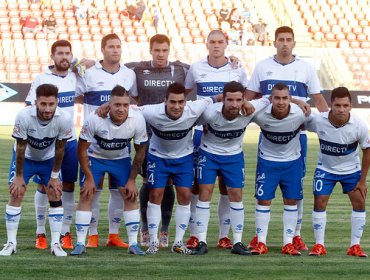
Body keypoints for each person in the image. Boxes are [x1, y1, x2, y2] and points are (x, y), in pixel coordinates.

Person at [246, 26, 329, 252]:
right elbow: (250, 97)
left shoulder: (305, 68)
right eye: (281, 39)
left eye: (288, 40)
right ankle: (259, 236)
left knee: (295, 188)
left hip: (297, 134)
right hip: (270, 134)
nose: (284, 43)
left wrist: (329, 125)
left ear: (293, 43)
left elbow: (319, 100)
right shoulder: (262, 66)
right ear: (274, 42)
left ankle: (296, 235)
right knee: (265, 188)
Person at [136, 83, 220, 255]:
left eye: (180, 102)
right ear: (164, 101)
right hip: (158, 157)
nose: (176, 106)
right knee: (155, 195)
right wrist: (106, 107)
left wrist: (246, 103)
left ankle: (178, 242)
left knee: (185, 195)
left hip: (183, 158)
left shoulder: (195, 108)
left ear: (185, 102)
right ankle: (153, 241)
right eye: (172, 102)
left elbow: (216, 98)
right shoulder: (152, 111)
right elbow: (132, 110)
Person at [184, 29, 248, 250]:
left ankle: (224, 235)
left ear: (226, 44)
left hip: (228, 134)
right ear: (206, 44)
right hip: (203, 133)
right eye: (212, 42)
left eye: (220, 42)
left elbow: (246, 95)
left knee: (226, 188)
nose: (216, 45)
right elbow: (185, 94)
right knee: (198, 186)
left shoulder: (236, 67)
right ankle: (195, 234)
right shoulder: (196, 68)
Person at [125, 34, 190, 248]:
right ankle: (145, 228)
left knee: (170, 182)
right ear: (150, 50)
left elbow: (204, 68)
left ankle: (164, 230)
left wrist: (233, 59)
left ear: (169, 50)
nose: (161, 54)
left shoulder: (181, 70)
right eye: (157, 50)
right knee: (150, 183)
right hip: (148, 136)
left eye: (164, 50)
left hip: (172, 136)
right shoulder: (137, 70)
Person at [75, 33, 138, 249]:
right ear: (102, 49)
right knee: (92, 190)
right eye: (111, 46)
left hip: (119, 146)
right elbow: (74, 94)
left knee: (119, 192)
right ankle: (92, 235)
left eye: (118, 46)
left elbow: (133, 101)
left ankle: (113, 234)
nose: (115, 50)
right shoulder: (89, 72)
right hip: (94, 146)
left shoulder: (129, 74)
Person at [193, 81, 269, 256]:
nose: (234, 104)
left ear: (243, 99)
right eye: (230, 100)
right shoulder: (210, 112)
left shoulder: (250, 109)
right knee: (205, 194)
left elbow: (269, 98)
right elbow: (191, 117)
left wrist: (300, 102)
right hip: (209, 154)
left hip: (234, 156)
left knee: (236, 196)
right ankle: (202, 241)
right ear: (223, 100)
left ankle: (237, 242)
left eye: (238, 100)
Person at [70, 85, 148, 256]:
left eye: (125, 105)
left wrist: (132, 180)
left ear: (129, 105)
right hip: (95, 158)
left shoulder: (137, 119)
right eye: (117, 105)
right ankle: (81, 243)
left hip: (120, 159)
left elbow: (141, 150)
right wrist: (89, 178)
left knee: (130, 194)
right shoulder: (95, 118)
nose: (121, 109)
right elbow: (81, 149)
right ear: (109, 105)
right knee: (86, 194)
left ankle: (133, 244)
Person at [0, 84, 72, 257]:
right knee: (16, 193)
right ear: (36, 103)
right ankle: (11, 243)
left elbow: (61, 148)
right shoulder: (24, 115)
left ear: (56, 103)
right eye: (43, 104)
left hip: (49, 159)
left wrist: (55, 176)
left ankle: (55, 244)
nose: (47, 109)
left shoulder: (64, 117)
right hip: (26, 158)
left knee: (55, 193)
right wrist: (19, 176)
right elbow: (20, 148)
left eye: (51, 104)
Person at [25, 40, 77, 251]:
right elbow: (29, 106)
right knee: (44, 185)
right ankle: (40, 232)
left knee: (68, 186)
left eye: (67, 53)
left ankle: (65, 233)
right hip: (47, 143)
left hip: (70, 140)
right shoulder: (41, 79)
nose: (64, 57)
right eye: (60, 53)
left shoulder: (76, 76)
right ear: (52, 56)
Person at [305, 87, 370, 257]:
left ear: (351, 106)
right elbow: (297, 122)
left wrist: (362, 181)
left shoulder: (360, 125)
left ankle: (355, 246)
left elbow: (367, 151)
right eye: (337, 105)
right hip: (325, 169)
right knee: (319, 202)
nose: (341, 109)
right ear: (331, 105)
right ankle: (319, 245)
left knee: (360, 203)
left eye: (345, 105)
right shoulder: (319, 120)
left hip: (351, 170)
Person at [250, 83, 308, 256]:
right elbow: (240, 114)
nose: (281, 102)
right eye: (277, 98)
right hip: (268, 163)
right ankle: (261, 242)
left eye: (285, 98)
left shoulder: (300, 114)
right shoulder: (260, 114)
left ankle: (288, 243)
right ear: (271, 99)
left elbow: (322, 123)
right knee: (264, 201)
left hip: (292, 163)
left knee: (291, 201)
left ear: (290, 99)